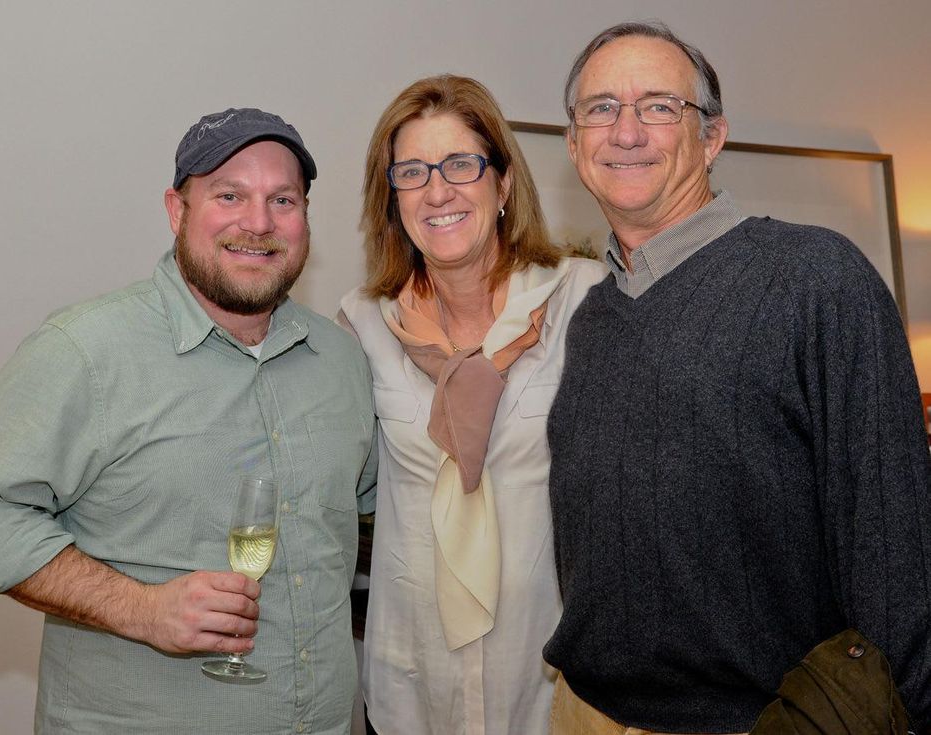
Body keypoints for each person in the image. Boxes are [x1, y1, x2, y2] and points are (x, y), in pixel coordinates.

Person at [544, 20, 931, 734]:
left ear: (712, 137)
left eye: (659, 106)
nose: (625, 131)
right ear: (574, 144)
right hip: (582, 712)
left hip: (758, 722)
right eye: (601, 108)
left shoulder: (816, 279)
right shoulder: (593, 317)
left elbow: (893, 543)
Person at [0, 107, 376, 734]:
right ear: (177, 211)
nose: (259, 222)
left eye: (282, 200)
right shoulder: (86, 349)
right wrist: (141, 609)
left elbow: (385, 513)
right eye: (229, 195)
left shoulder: (341, 360)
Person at [339, 75, 605, 735]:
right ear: (392, 198)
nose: (437, 191)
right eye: (412, 172)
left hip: (547, 680)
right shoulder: (363, 324)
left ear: (503, 182)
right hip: (413, 684)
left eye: (461, 164)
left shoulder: (580, 301)